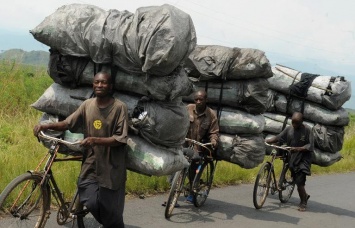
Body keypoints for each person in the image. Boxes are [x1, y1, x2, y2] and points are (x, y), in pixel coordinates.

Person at [33, 71, 128, 227]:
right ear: (93, 84)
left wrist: (94, 140)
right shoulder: (87, 105)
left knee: (110, 211)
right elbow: (68, 123)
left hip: (111, 167)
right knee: (89, 199)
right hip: (91, 163)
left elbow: (120, 138)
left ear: (110, 86)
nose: (99, 85)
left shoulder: (119, 108)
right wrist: (46, 126)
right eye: (97, 82)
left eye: (103, 82)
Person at [265, 112, 313, 212]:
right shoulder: (289, 129)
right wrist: (267, 141)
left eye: (297, 124)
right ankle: (305, 195)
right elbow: (278, 137)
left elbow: (310, 146)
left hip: (303, 159)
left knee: (300, 183)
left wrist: (299, 148)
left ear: (302, 122)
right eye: (293, 123)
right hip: (293, 158)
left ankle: (303, 202)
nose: (295, 126)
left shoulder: (307, 130)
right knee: (295, 179)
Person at [184, 89, 219, 203]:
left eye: (201, 99)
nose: (198, 101)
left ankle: (193, 189)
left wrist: (213, 141)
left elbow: (214, 132)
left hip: (199, 148)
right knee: (174, 165)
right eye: (196, 99)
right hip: (185, 144)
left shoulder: (211, 115)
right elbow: (180, 121)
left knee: (194, 164)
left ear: (206, 100)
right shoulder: (188, 108)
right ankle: (172, 191)